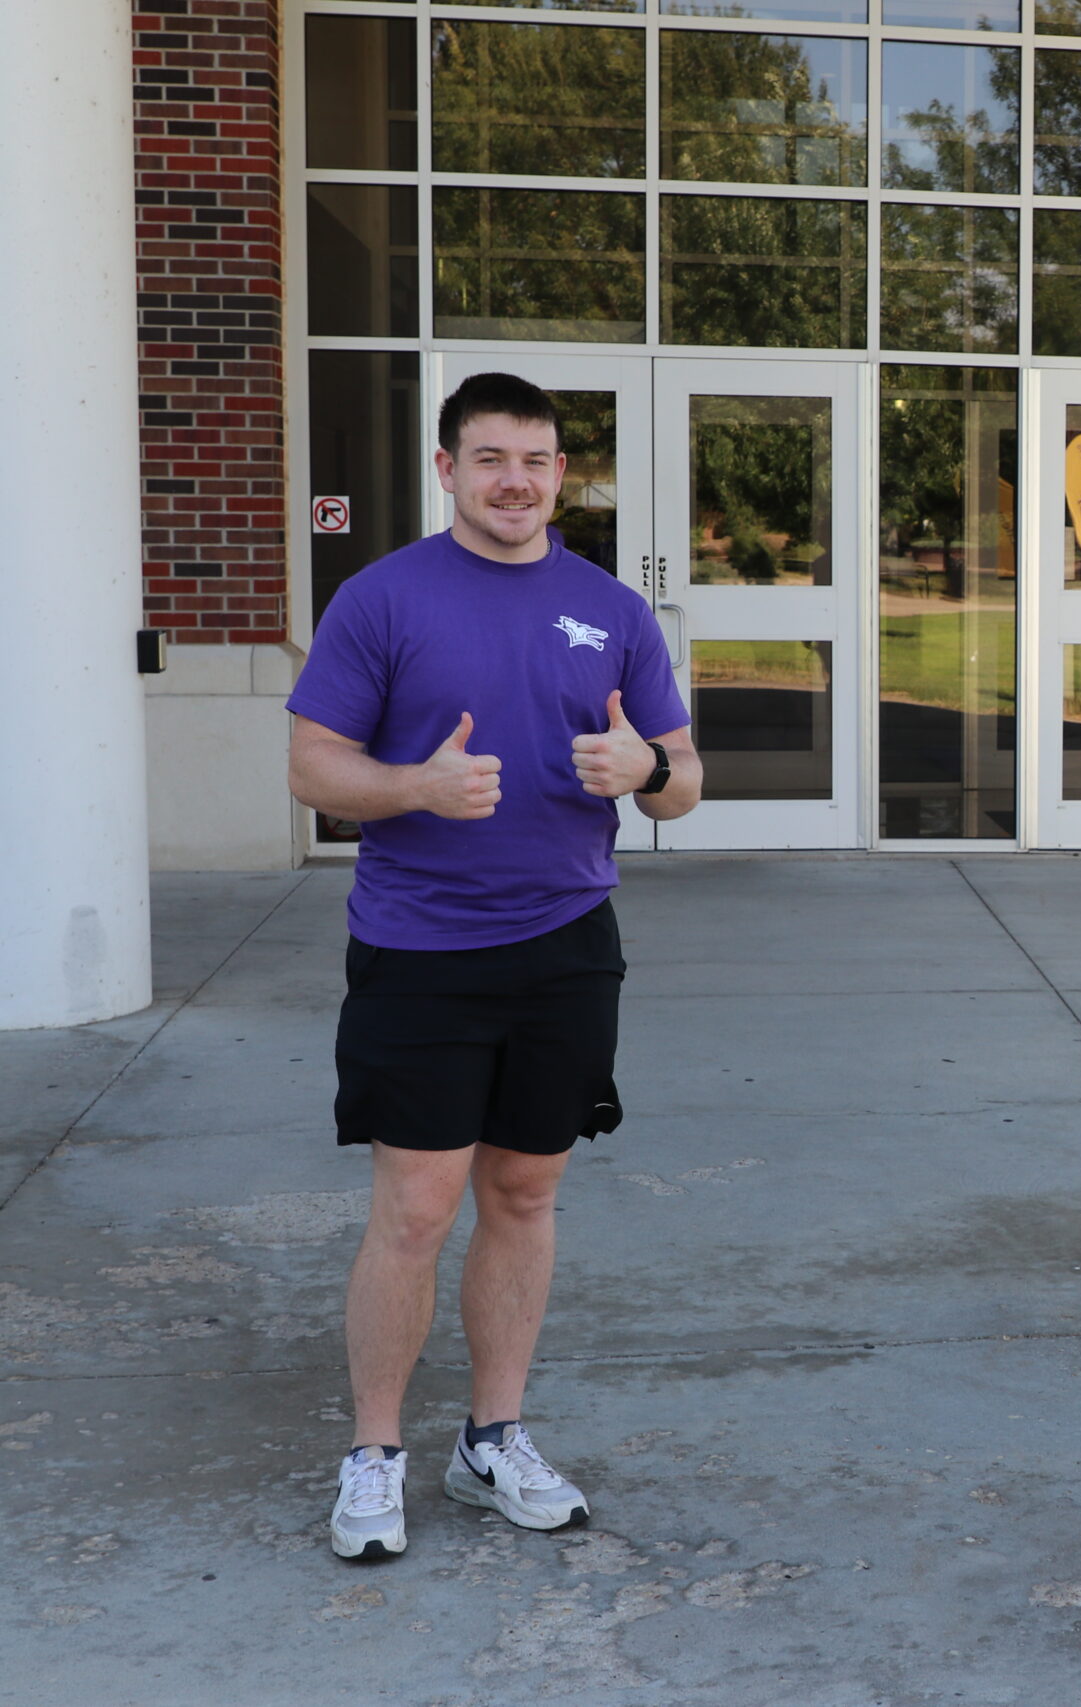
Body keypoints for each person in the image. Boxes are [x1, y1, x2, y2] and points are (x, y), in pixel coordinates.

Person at [286, 372, 701, 1562]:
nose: (513, 480)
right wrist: (416, 787)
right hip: (421, 950)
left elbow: (684, 776)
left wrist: (648, 774)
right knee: (413, 1209)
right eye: (489, 458)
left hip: (568, 949)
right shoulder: (384, 599)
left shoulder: (612, 610)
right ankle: (374, 1454)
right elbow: (314, 769)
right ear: (447, 469)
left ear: (561, 474)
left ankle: (491, 1438)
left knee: (525, 1196)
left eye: (535, 459)